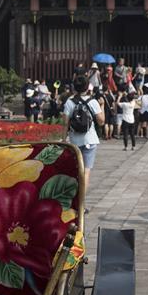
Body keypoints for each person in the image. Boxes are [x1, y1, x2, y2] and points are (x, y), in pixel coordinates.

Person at [63, 75, 106, 204]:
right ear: (88, 87)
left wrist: (63, 139)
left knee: (76, 172)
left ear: (74, 87)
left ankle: (73, 199)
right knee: (86, 172)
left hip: (74, 141)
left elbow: (65, 123)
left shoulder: (69, 102)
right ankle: (81, 203)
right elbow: (101, 121)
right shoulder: (93, 102)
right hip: (90, 140)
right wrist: (102, 106)